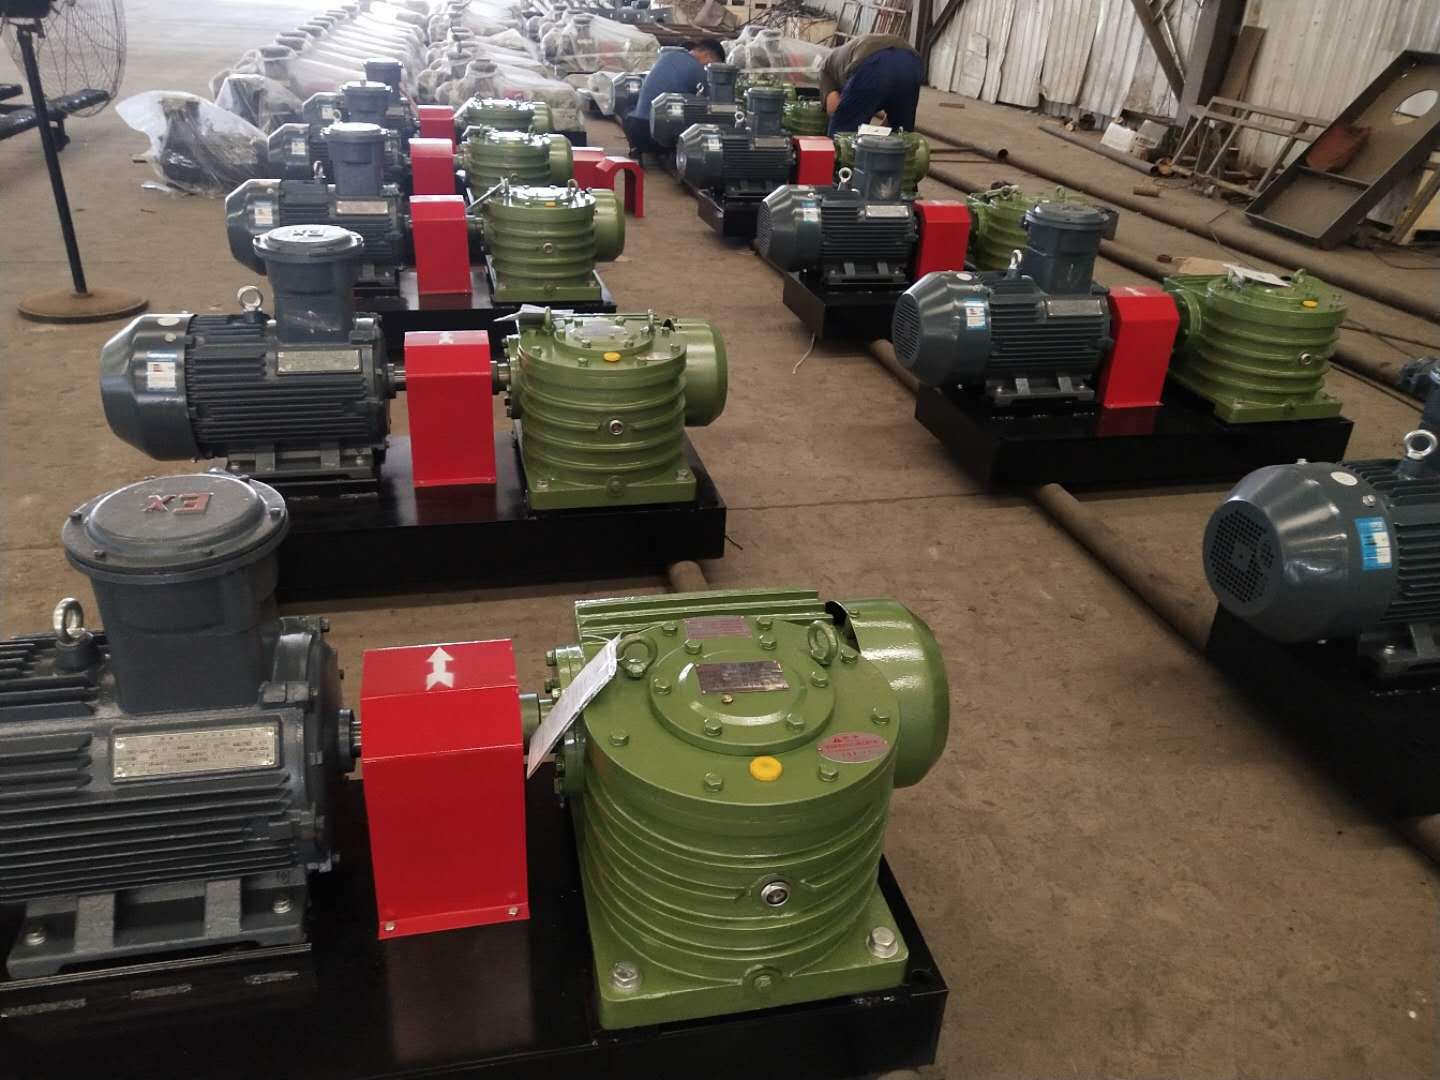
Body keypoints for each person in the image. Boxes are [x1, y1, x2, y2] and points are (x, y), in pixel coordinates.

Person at [623, 38, 728, 160]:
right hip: (654, 138)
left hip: (634, 128)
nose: (712, 70)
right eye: (715, 64)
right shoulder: (698, 70)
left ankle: (638, 149)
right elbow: (714, 105)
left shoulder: (668, 55)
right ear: (707, 55)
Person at [819, 33, 923, 137]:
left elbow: (833, 107)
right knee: (901, 134)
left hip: (874, 62)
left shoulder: (825, 69)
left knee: (842, 135)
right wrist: (878, 136)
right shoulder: (842, 56)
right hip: (911, 62)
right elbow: (894, 112)